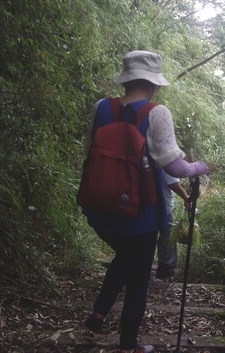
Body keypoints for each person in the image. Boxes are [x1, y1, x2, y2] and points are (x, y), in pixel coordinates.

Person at [81, 50, 208, 353]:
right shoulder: (157, 113)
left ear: (126, 79)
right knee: (138, 278)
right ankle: (128, 346)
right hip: (141, 214)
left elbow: (89, 153)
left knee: (124, 258)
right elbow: (176, 168)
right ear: (154, 84)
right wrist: (200, 167)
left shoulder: (102, 107)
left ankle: (98, 315)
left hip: (99, 208)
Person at [156, 174, 189, 280]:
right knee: (168, 236)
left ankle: (143, 269)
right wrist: (186, 197)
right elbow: (172, 183)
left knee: (149, 236)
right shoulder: (166, 160)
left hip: (148, 205)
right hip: (163, 206)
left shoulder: (150, 157)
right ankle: (166, 268)